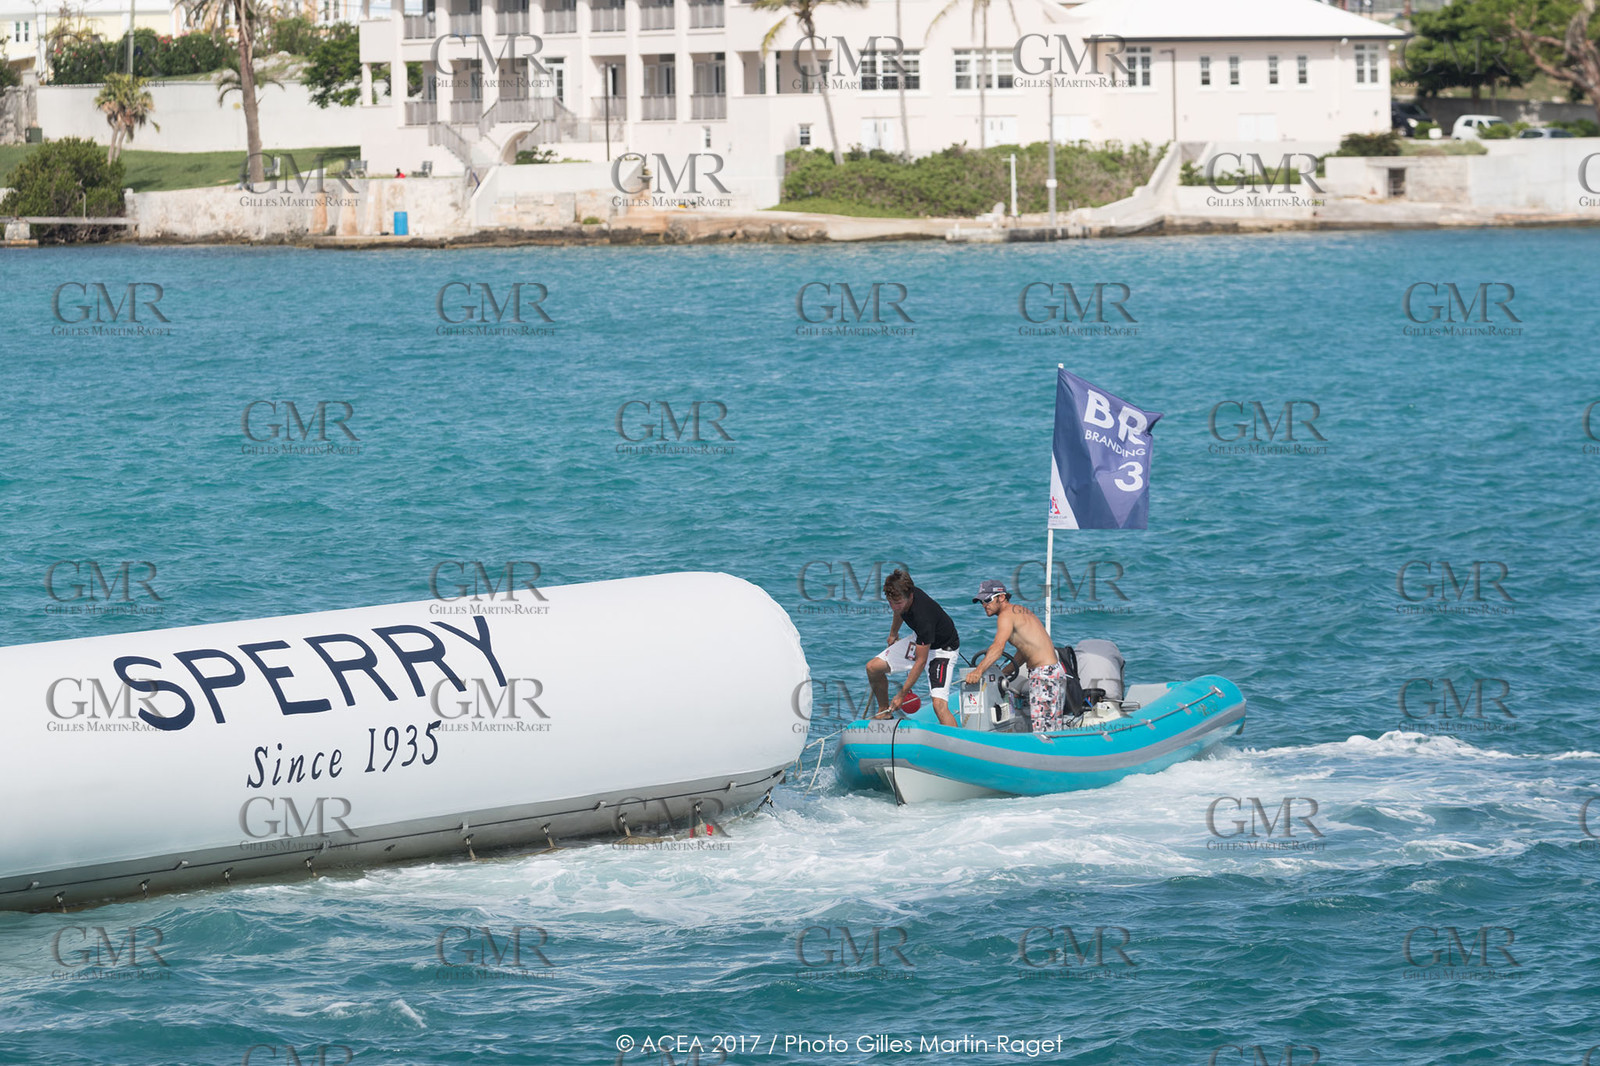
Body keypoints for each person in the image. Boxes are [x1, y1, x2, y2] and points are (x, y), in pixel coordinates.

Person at [963, 579, 1069, 733]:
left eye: (987, 600)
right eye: (981, 602)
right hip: (1053, 672)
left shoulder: (1005, 615)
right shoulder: (1019, 611)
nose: (984, 605)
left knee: (1043, 732)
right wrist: (1004, 672)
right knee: (1053, 729)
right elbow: (1024, 652)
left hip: (1043, 675)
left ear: (1001, 597)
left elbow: (998, 647)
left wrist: (978, 671)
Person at [865, 569, 961, 727]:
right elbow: (899, 612)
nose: (894, 607)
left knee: (939, 705)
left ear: (911, 596)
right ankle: (884, 712)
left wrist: (902, 694)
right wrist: (893, 633)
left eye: (897, 603)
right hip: (921, 641)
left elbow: (921, 661)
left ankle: (955, 740)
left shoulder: (923, 617)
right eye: (890, 603)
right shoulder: (902, 596)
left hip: (942, 651)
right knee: (872, 668)